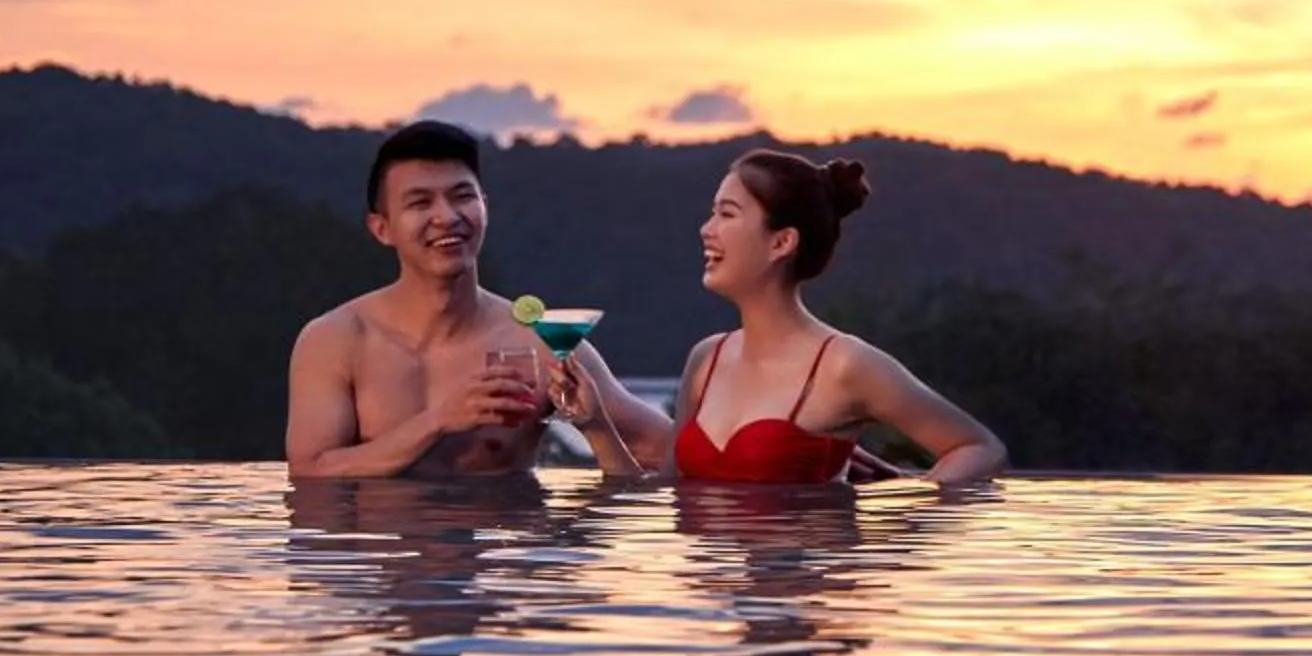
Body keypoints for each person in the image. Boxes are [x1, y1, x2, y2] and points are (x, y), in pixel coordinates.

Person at [287, 120, 674, 479]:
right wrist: (439, 420)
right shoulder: (336, 339)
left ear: (484, 205)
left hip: (509, 548)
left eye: (462, 196)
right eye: (420, 203)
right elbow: (310, 469)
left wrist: (596, 425)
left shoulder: (538, 343)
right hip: (383, 550)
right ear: (382, 228)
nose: (447, 216)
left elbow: (671, 452)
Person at [654, 149, 1006, 485]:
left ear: (781, 243)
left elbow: (978, 448)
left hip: (804, 547)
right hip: (703, 550)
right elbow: (671, 488)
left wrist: (905, 518)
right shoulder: (706, 359)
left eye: (727, 214)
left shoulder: (844, 365)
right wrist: (601, 428)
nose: (706, 228)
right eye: (713, 213)